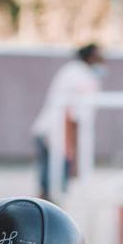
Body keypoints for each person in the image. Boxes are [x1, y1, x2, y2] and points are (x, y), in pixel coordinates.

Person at [32, 44, 105, 201]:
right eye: (100, 56)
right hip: (57, 135)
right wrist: (72, 150)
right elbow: (71, 115)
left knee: (49, 187)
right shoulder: (81, 76)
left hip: (49, 131)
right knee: (55, 189)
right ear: (90, 57)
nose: (104, 60)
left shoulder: (72, 71)